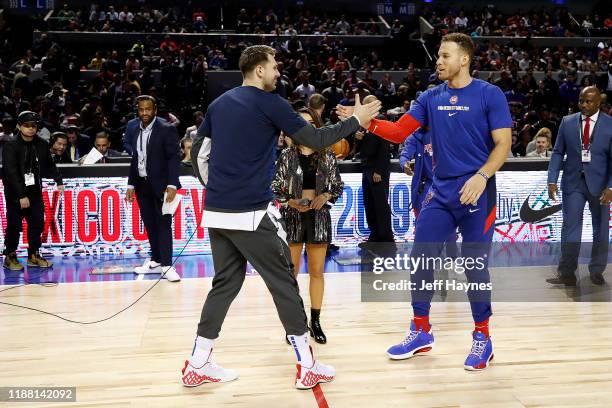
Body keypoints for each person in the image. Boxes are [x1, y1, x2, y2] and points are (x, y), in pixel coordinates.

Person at [186, 45, 380, 389]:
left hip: (216, 211)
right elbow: (316, 138)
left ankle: (198, 362)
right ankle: (307, 365)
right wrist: (355, 121)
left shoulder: (219, 103)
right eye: (274, 66)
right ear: (259, 70)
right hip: (251, 213)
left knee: (225, 284)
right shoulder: (271, 103)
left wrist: (218, 189)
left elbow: (198, 155)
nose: (278, 72)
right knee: (285, 284)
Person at [337, 33, 512, 371]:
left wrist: (482, 176)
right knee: (421, 261)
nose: (439, 61)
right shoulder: (430, 97)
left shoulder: (490, 94)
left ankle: (483, 337)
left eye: (445, 55)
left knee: (475, 266)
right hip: (441, 191)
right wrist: (365, 122)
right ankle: (421, 330)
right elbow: (400, 132)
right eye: (438, 55)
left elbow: (503, 144)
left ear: (464, 59)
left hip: (477, 190)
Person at [272, 107, 344, 345]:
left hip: (319, 216)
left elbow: (337, 186)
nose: (305, 126)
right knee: (290, 273)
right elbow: (276, 186)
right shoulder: (286, 155)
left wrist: (325, 197)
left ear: (317, 125)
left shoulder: (327, 154)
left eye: (309, 122)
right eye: (300, 123)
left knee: (317, 272)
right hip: (292, 216)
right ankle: (294, 322)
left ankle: (315, 321)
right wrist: (290, 201)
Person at [546, 86, 612, 286]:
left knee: (600, 230)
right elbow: (557, 152)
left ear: (599, 103)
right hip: (573, 183)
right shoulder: (567, 122)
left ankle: (597, 270)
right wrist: (552, 179)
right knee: (570, 228)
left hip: (601, 186)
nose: (583, 105)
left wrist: (611, 187)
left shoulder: (610, 124)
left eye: (588, 101)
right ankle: (567, 272)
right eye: (581, 101)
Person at [125, 95, 182, 282]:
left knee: (163, 224)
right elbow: (135, 158)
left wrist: (172, 184)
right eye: (141, 109)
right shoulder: (133, 128)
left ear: (155, 109)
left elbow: (174, 158)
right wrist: (131, 184)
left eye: (148, 109)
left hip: (163, 186)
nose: (144, 113)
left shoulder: (166, 129)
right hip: (142, 185)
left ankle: (167, 265)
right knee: (150, 224)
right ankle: (156, 261)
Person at [2, 111, 64, 271]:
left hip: (35, 191)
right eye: (27, 126)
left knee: (37, 224)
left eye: (33, 126)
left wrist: (58, 181)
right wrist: (21, 195)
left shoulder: (42, 144)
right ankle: (10, 256)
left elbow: (50, 165)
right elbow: (11, 172)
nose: (30, 129)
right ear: (19, 126)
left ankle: (33, 255)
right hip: (16, 194)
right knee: (14, 225)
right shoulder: (10, 145)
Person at [356, 95, 394, 246]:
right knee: (369, 203)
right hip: (366, 167)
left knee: (380, 204)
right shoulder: (364, 122)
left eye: (366, 106)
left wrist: (379, 170)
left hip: (377, 169)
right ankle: (375, 235)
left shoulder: (381, 121)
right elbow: (362, 146)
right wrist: (357, 139)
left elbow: (385, 148)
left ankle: (386, 237)